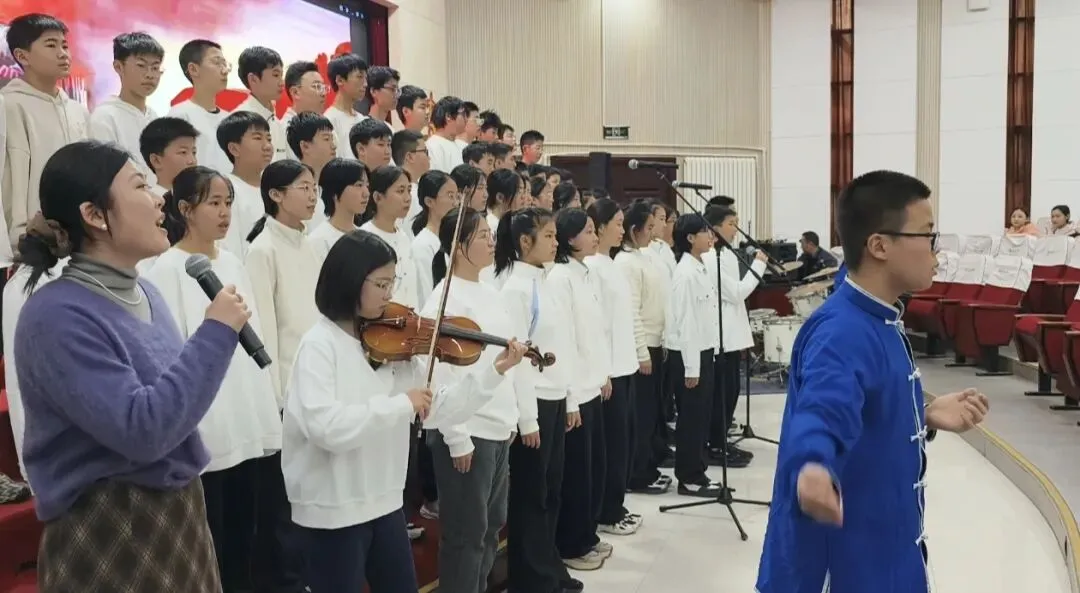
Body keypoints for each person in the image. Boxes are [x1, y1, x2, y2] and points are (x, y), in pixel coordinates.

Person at [13, 140, 248, 591]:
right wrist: (216, 333)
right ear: (94, 214)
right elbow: (143, 430)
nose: (159, 198)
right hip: (108, 531)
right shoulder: (56, 315)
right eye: (140, 185)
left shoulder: (146, 292)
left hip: (180, 518)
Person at [756, 170, 990, 593]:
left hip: (884, 548)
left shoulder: (878, 315)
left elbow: (862, 403)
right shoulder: (842, 332)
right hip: (844, 565)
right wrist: (813, 465)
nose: (937, 252)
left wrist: (922, 415)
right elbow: (822, 412)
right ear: (880, 246)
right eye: (928, 235)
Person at [282, 229, 526, 593]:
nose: (390, 294)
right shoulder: (319, 345)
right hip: (333, 510)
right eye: (381, 284)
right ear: (349, 281)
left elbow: (439, 407)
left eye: (392, 283)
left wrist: (494, 372)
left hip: (385, 503)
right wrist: (401, 404)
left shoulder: (395, 345)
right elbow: (327, 428)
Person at [143, 165, 283, 592]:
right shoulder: (165, 270)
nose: (224, 213)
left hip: (246, 407)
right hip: (207, 414)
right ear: (185, 209)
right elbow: (170, 352)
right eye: (214, 203)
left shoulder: (233, 262)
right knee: (213, 534)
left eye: (228, 203)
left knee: (248, 530)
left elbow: (254, 330)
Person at [423, 208, 529, 593]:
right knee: (466, 534)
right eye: (482, 235)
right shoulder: (445, 300)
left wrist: (513, 417)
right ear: (458, 246)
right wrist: (457, 437)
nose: (491, 241)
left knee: (490, 527)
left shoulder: (488, 291)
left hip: (497, 425)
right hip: (468, 432)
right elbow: (440, 376)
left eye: (490, 233)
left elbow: (503, 363)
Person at [245, 159, 322, 593]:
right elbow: (265, 332)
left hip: (315, 381)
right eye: (302, 188)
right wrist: (275, 396)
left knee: (312, 490)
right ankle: (288, 581)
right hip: (285, 389)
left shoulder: (308, 243)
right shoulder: (263, 249)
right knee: (286, 498)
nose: (312, 195)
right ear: (275, 195)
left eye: (314, 188)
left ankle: (310, 571)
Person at [496, 207, 582, 593]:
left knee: (552, 489)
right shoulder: (515, 288)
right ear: (524, 241)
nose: (555, 242)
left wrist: (569, 398)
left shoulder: (546, 280)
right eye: (548, 236)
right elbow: (517, 360)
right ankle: (531, 579)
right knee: (532, 495)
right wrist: (527, 419)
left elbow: (561, 343)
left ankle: (549, 567)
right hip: (533, 402)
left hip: (555, 396)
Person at [548, 208, 613, 571]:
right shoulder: (560, 278)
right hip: (574, 389)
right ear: (569, 238)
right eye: (588, 231)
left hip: (592, 385)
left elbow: (595, 332)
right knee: (575, 474)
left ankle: (587, 534)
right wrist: (570, 397)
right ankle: (572, 544)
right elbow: (565, 340)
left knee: (593, 470)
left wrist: (603, 374)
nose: (594, 236)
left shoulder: (585, 272)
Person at [3, 13, 90, 251]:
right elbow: (12, 178)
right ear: (23, 56)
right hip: (29, 244)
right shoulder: (9, 105)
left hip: (77, 238)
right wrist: (18, 239)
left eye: (65, 45)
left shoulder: (78, 111)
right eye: (51, 45)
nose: (63, 53)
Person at [585, 199, 643, 535]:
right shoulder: (593, 268)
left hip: (625, 364)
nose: (623, 230)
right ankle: (607, 511)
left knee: (625, 442)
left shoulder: (613, 263)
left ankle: (616, 505)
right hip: (609, 371)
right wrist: (602, 370)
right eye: (618, 224)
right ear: (600, 226)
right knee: (612, 446)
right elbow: (597, 325)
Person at [665, 213, 724, 497]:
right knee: (691, 418)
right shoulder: (685, 273)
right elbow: (686, 322)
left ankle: (698, 472)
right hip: (690, 355)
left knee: (701, 417)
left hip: (703, 350)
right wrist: (692, 368)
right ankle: (688, 477)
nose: (710, 237)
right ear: (690, 238)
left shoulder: (699, 267)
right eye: (704, 232)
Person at [615, 199, 671, 496]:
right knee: (642, 416)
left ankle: (649, 466)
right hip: (643, 346)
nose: (652, 232)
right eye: (648, 227)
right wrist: (642, 352)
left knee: (652, 414)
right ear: (633, 230)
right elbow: (632, 311)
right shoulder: (625, 263)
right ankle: (638, 473)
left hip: (656, 341)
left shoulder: (644, 256)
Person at [705, 205, 767, 467]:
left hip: (732, 335)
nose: (736, 229)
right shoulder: (711, 257)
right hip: (720, 337)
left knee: (731, 392)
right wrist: (759, 265)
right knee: (722, 394)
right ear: (715, 228)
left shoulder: (727, 254)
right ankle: (715, 445)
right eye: (731, 224)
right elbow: (737, 292)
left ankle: (721, 441)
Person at [88, 32, 164, 179]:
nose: (149, 75)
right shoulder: (104, 117)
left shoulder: (154, 117)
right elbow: (104, 174)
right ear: (118, 67)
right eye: (141, 66)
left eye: (155, 68)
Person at [359, 165, 420, 309]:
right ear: (378, 197)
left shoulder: (404, 236)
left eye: (409, 190)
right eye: (400, 191)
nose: (407, 198)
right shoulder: (364, 238)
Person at [168, 39, 232, 174]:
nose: (224, 70)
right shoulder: (180, 115)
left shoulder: (229, 118)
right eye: (217, 63)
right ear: (193, 69)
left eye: (224, 64)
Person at [218, 111, 274, 258]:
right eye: (258, 138)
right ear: (234, 149)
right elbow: (229, 248)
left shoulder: (276, 188)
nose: (267, 146)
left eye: (269, 139)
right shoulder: (225, 190)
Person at [410, 170, 458, 307]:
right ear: (429, 201)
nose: (456, 203)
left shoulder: (452, 239)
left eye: (457, 196)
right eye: (450, 196)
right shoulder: (423, 245)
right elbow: (426, 296)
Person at [308, 158, 369, 261]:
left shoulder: (366, 236)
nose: (366, 193)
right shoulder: (318, 240)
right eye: (359, 185)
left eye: (367, 185)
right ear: (335, 193)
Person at [236, 46, 290, 162]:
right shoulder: (239, 121)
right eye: (276, 75)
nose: (282, 83)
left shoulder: (278, 123)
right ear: (253, 79)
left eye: (281, 75)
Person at [286, 111, 336, 231]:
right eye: (326, 139)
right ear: (305, 146)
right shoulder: (293, 192)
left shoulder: (333, 187)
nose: (334, 146)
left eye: (332, 139)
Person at [139, 116, 199, 198]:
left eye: (194, 153)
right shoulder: (150, 201)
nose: (192, 161)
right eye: (183, 152)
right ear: (156, 161)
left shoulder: (199, 199)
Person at [324, 53, 368, 159]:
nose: (365, 84)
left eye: (365, 78)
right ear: (340, 80)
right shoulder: (329, 120)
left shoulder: (362, 119)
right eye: (360, 77)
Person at [391, 129, 431, 233]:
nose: (429, 157)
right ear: (410, 157)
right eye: (425, 152)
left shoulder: (418, 188)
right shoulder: (402, 194)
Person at [281, 60, 327, 139]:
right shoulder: (283, 131)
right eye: (317, 86)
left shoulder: (326, 128)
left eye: (323, 87)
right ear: (295, 92)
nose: (323, 93)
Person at [427, 96, 467, 173]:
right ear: (448, 116)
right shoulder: (432, 146)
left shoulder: (460, 145)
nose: (466, 119)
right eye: (463, 114)